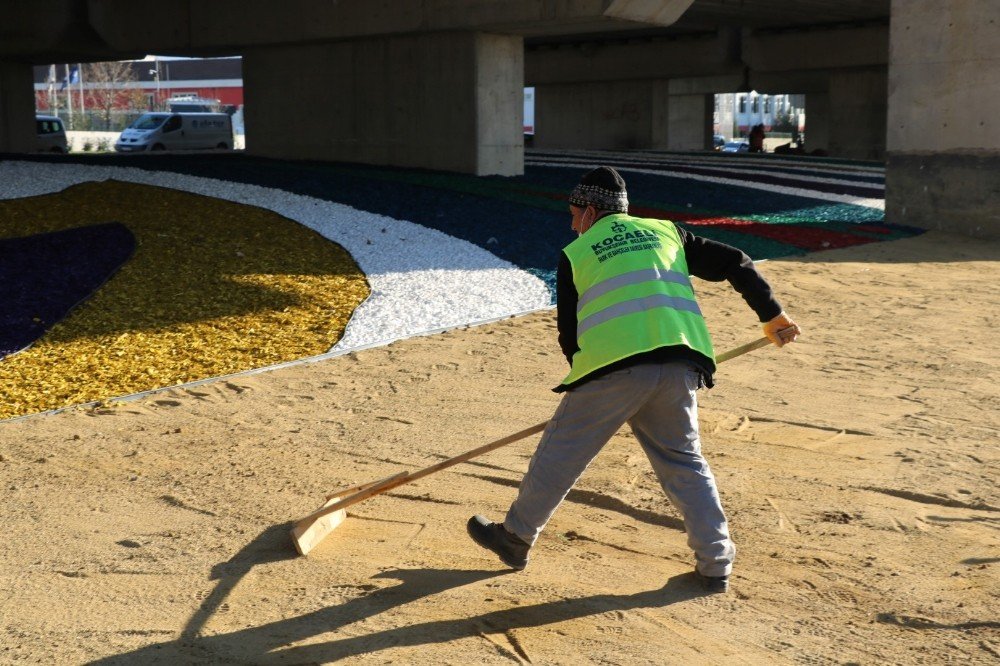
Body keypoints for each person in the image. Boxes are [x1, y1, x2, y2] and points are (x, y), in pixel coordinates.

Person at [467, 166, 800, 594]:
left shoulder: (578, 251)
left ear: (590, 210)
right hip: (682, 364)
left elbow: (569, 334)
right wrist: (773, 316)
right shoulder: (668, 233)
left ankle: (514, 538)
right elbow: (737, 262)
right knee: (685, 465)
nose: (572, 223)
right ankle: (716, 565)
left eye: (574, 213)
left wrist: (587, 385)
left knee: (560, 455)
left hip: (611, 368)